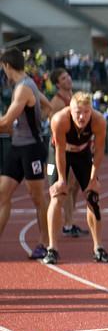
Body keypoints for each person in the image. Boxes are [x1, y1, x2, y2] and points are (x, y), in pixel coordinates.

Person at [42, 92, 108, 264]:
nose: (82, 116)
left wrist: (94, 179)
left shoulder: (99, 121)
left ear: (92, 111)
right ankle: (52, 249)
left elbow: (99, 152)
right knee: (57, 197)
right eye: (77, 112)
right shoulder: (60, 120)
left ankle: (98, 248)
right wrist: (62, 181)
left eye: (86, 112)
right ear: (70, 110)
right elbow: (59, 152)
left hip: (82, 154)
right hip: (60, 153)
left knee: (93, 198)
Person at [0, 47, 51, 259]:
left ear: (7, 66)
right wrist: (29, 122)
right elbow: (46, 106)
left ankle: (44, 243)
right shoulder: (23, 86)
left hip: (32, 149)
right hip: (18, 146)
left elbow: (5, 122)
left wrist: (28, 126)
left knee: (37, 197)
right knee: (2, 194)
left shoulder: (24, 88)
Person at [48, 68, 90, 238]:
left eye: (68, 76)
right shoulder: (57, 102)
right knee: (67, 186)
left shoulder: (75, 98)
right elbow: (55, 128)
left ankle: (69, 221)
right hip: (64, 148)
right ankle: (67, 224)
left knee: (75, 187)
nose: (68, 80)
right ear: (57, 84)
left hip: (79, 147)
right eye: (63, 78)